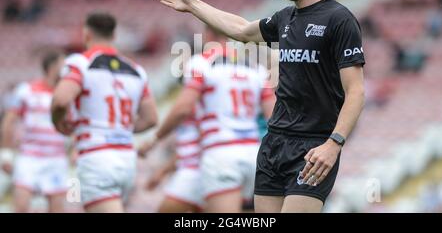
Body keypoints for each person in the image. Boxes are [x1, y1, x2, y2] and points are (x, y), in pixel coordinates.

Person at [156, 0, 365, 213]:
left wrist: (334, 144)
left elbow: (356, 91)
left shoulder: (339, 20)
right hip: (273, 144)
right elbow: (241, 30)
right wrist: (193, 5)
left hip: (313, 147)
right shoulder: (284, 18)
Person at [139, 26, 275, 212]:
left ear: (207, 35)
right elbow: (274, 117)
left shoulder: (200, 63)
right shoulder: (255, 67)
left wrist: (154, 139)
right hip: (253, 154)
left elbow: (183, 108)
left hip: (220, 153)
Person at [51, 12, 158, 213]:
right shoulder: (136, 70)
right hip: (127, 159)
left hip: (96, 156)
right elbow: (151, 118)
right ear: (114, 36)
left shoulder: (81, 63)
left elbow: (60, 100)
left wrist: (58, 122)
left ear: (86, 34)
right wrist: (119, 129)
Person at [0, 51, 69, 213]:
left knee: (58, 208)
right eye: (63, 65)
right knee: (21, 206)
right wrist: (6, 154)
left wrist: (75, 151)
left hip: (56, 159)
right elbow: (9, 121)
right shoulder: (26, 90)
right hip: (29, 157)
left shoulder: (66, 95)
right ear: (52, 67)